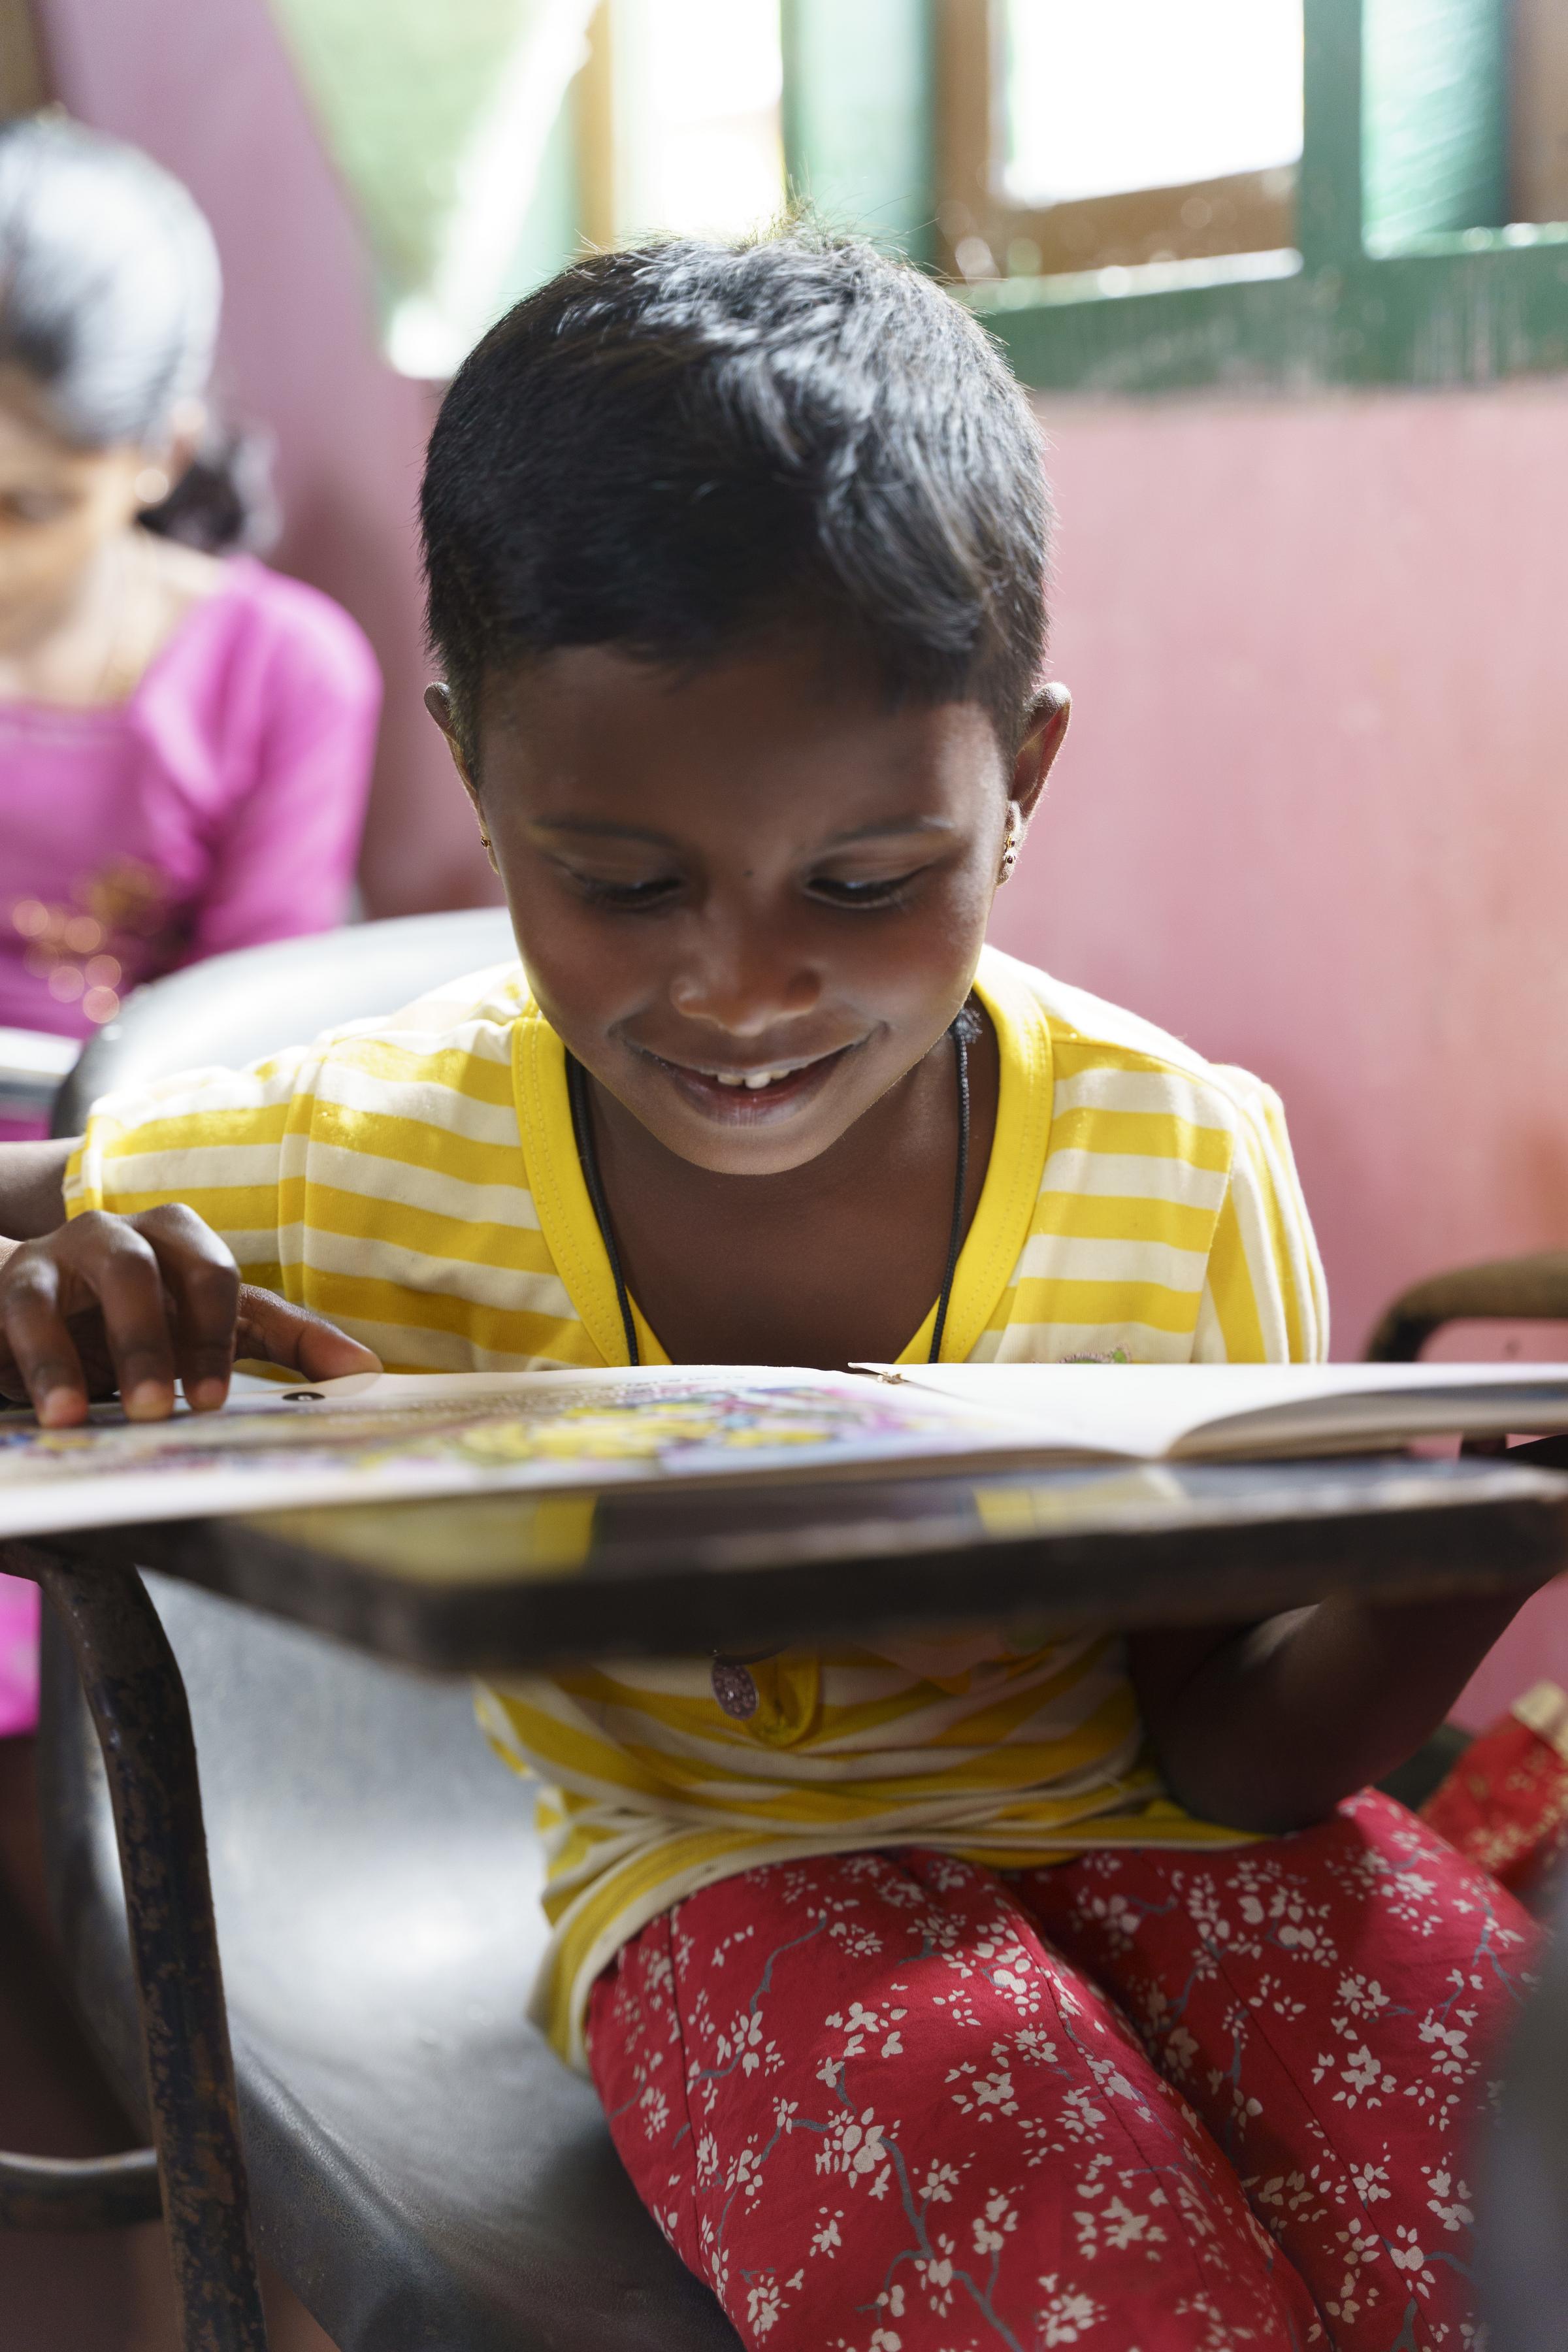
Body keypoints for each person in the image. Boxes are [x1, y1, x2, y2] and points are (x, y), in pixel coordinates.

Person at [0, 228, 1541, 2349]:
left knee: (1504, 2223)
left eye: (868, 883)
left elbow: (1224, 1759)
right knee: (1111, 2280)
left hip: (1216, 1858)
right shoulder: (341, 1157)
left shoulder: (1181, 1159)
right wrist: (57, 1287)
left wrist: (1472, 1543)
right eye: (622, 885)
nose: (739, 988)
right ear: (475, 774)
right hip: (724, 1894)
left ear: (1028, 773)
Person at [0, 114, 380, 1735]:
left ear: (158, 451)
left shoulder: (282, 672)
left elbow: (238, 1054)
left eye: (28, 503)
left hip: (125, 1225)